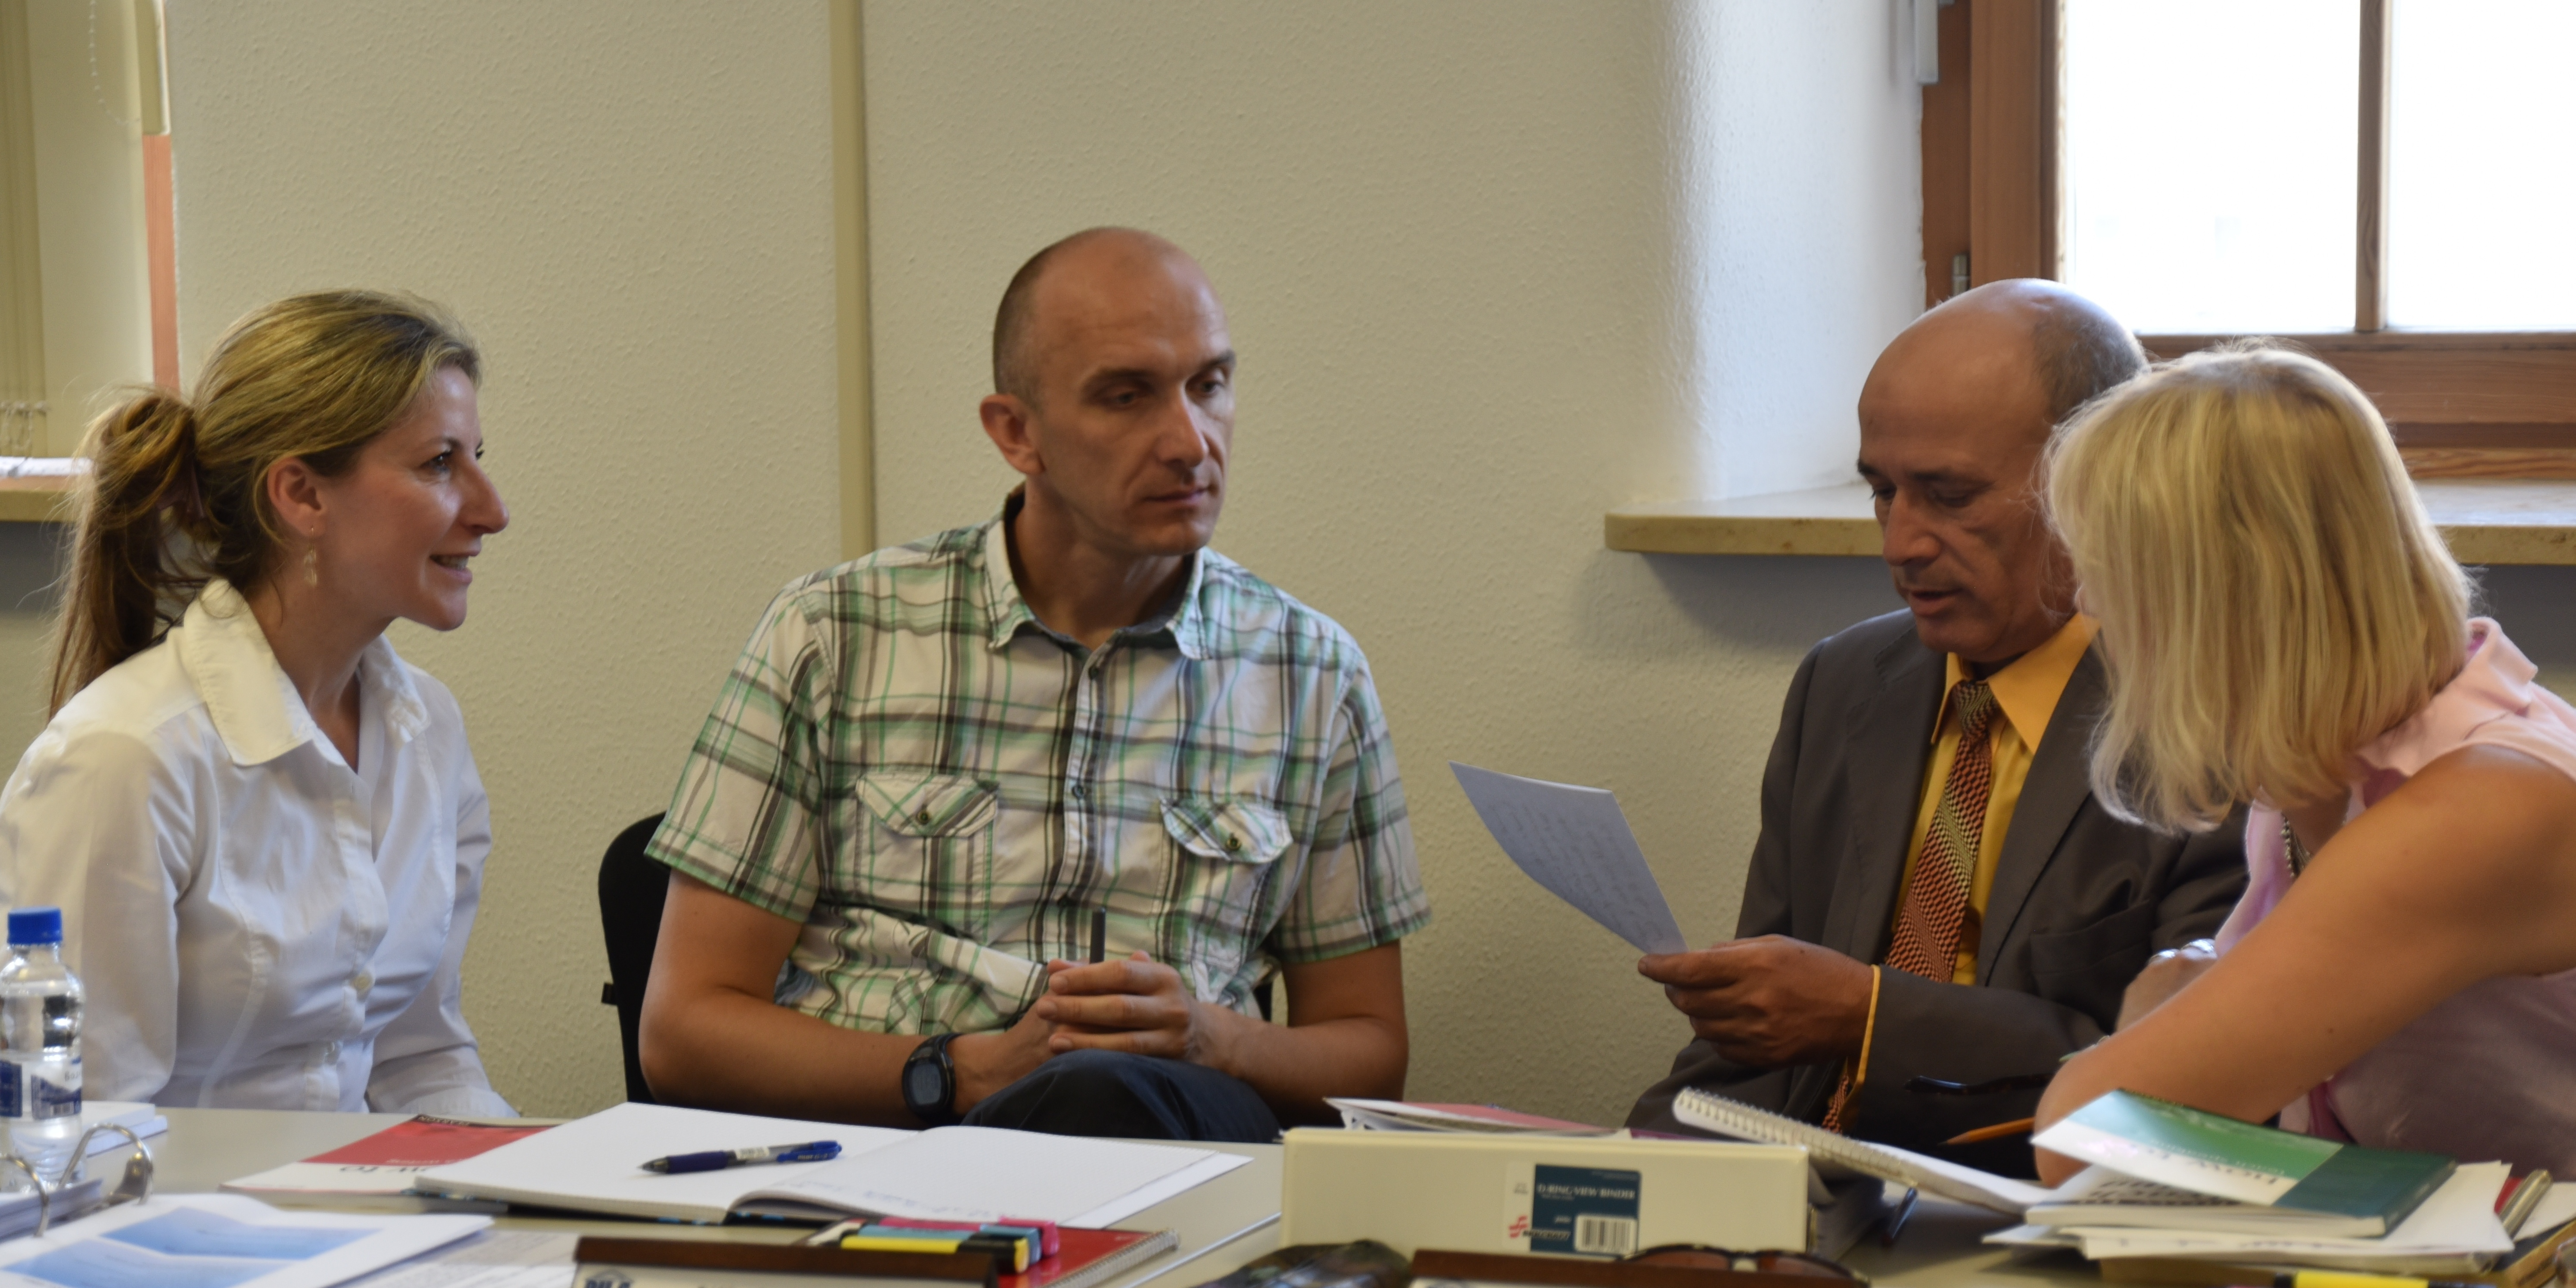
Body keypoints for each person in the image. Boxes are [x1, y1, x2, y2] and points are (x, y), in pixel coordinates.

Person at [639, 228, 1428, 1141]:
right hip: (892, 1154)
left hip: (1178, 1147)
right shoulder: (833, 632)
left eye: (1209, 385)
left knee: (1109, 1090)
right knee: (1086, 1096)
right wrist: (957, 1071)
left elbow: (1373, 1057)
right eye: (1126, 397)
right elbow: (683, 1029)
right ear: (1016, 433)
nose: (1189, 440)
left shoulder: (1309, 673)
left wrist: (1210, 1037)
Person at [1625, 281, 2246, 1174]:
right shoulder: (1842, 683)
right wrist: (1630, 1172)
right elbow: (1749, 1039)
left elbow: (2188, 1074)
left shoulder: (2212, 722)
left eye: (1947, 495)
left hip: (2039, 1203)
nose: (1899, 544)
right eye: (1882, 491)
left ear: (2097, 478)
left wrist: (1870, 1016)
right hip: (1805, 1187)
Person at [2032, 345, 2576, 1181]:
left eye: (2111, 573)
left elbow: (2082, 1142)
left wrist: (2156, 1006)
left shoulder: (2473, 809)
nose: (2089, 605)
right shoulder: (2324, 765)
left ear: (2223, 602)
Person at [0, 290, 515, 1114]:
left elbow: (423, 1062)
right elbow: (84, 1130)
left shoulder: (428, 729)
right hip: (168, 1230)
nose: (493, 510)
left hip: (355, 1225)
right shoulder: (125, 757)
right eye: (440, 464)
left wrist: (530, 1206)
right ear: (302, 496)